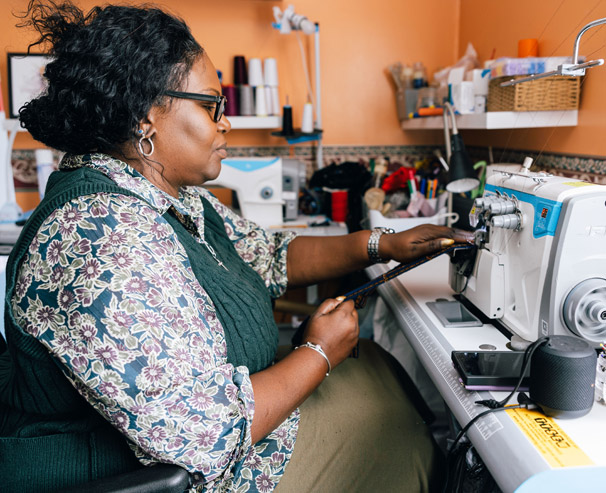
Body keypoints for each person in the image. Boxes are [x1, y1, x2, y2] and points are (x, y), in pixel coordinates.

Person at [0, 1, 472, 492]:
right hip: (173, 472)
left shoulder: (174, 198)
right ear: (145, 117)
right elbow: (207, 435)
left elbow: (265, 254)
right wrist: (317, 352)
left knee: (387, 379)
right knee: (403, 444)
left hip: (230, 427)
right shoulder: (103, 234)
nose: (225, 123)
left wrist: (381, 244)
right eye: (211, 106)